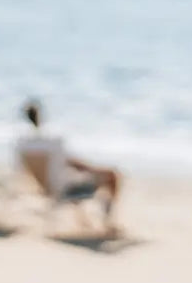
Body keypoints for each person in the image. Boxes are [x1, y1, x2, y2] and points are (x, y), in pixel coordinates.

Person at [16, 98, 121, 232]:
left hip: (47, 187)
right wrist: (94, 170)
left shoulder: (21, 144)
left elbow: (21, 171)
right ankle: (108, 222)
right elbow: (73, 162)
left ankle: (84, 222)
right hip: (65, 189)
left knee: (76, 176)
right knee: (111, 176)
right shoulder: (53, 141)